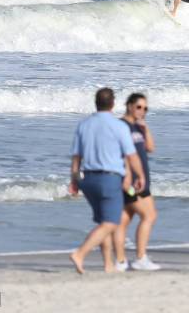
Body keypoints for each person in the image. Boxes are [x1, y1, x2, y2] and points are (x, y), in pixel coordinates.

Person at [68, 88, 146, 274]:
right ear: (113, 104)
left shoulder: (84, 125)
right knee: (111, 223)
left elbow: (76, 157)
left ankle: (108, 265)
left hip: (88, 179)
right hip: (109, 178)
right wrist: (140, 175)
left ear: (96, 102)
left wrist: (74, 180)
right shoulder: (119, 126)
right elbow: (131, 155)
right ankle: (80, 253)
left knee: (103, 222)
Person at [113, 93, 160, 271]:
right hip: (131, 181)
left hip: (141, 179)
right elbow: (121, 153)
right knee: (149, 215)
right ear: (129, 106)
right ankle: (140, 257)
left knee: (124, 219)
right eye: (139, 107)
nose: (143, 111)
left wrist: (145, 128)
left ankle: (120, 261)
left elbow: (150, 148)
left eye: (145, 108)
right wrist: (127, 177)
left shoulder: (138, 127)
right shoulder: (121, 126)